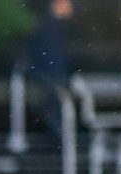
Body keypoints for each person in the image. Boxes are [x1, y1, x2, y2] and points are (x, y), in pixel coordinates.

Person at [23, 0, 73, 144]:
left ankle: (60, 141)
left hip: (54, 77)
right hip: (50, 78)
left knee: (56, 110)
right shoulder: (48, 28)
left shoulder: (57, 28)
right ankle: (59, 141)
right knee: (54, 110)